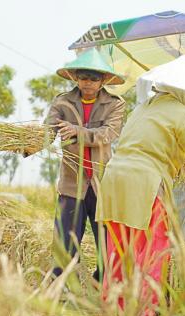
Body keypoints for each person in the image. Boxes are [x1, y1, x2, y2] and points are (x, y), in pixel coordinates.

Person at [96, 55, 185, 316]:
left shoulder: (143, 107)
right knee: (152, 252)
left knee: (118, 252)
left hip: (114, 181)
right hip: (144, 185)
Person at [45, 48, 126, 282]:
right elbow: (48, 131)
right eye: (83, 77)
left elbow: (108, 133)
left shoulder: (114, 104)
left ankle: (103, 285)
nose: (87, 83)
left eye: (93, 78)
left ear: (103, 81)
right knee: (65, 241)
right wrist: (24, 143)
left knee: (106, 241)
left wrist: (77, 131)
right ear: (75, 78)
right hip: (72, 182)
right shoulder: (62, 102)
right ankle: (60, 289)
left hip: (102, 184)